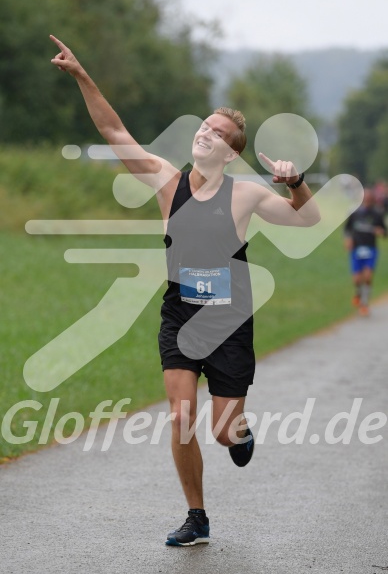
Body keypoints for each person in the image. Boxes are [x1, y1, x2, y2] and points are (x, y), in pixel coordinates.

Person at [50, 34, 320, 547]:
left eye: (217, 133)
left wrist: (296, 181)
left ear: (231, 151)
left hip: (229, 319)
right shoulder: (165, 181)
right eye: (203, 126)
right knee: (179, 416)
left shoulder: (246, 195)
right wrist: (84, 76)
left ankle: (238, 434)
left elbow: (308, 219)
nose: (205, 133)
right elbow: (113, 130)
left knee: (223, 432)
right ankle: (196, 516)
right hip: (180, 312)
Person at [344, 188, 386, 316]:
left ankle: (364, 303)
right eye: (365, 199)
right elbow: (347, 229)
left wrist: (381, 232)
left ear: (373, 200)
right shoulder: (355, 213)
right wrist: (348, 239)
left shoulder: (377, 215)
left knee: (367, 277)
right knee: (357, 279)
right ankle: (358, 293)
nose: (367, 201)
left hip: (370, 249)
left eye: (369, 199)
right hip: (356, 249)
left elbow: (384, 231)